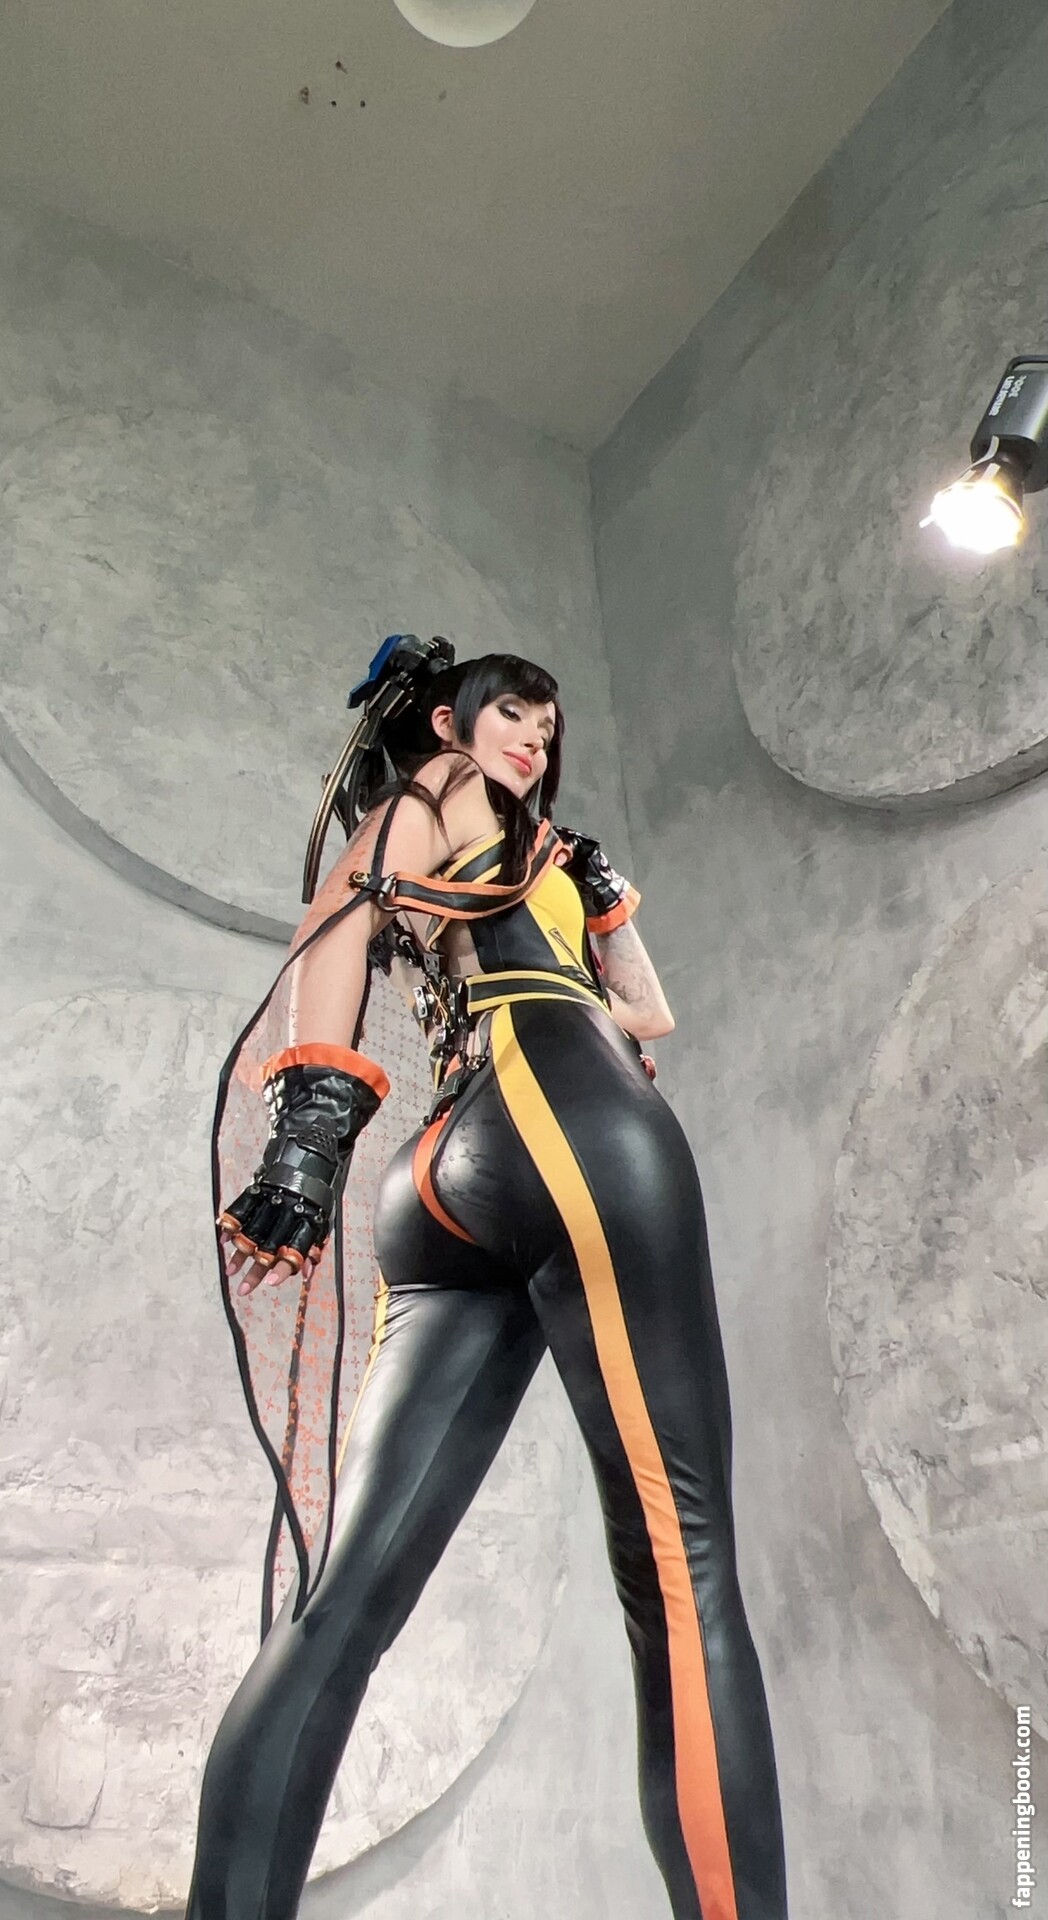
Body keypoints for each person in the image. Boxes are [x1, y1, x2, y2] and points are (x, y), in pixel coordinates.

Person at [185, 641, 788, 1920]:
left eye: (548, 725)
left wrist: (597, 895)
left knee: (341, 1606)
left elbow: (650, 1014)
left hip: (450, 1172)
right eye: (512, 709)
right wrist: (305, 1138)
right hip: (564, 1114)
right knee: (685, 1577)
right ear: (454, 722)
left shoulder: (535, 849)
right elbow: (342, 915)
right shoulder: (452, 787)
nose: (533, 736)